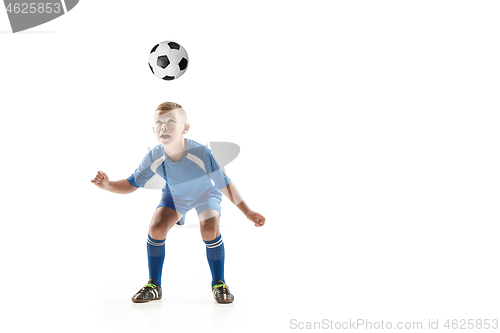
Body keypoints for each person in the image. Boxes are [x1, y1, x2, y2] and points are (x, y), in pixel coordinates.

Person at [91, 102, 266, 304]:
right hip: (175, 196)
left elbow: (224, 184)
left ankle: (219, 282)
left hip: (205, 195)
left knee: (209, 230)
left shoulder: (200, 153)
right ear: (153, 130)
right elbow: (131, 184)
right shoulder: (154, 156)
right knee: (156, 227)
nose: (164, 126)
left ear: (185, 128)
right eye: (159, 122)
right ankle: (154, 284)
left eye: (171, 121)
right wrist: (107, 185)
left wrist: (248, 212)